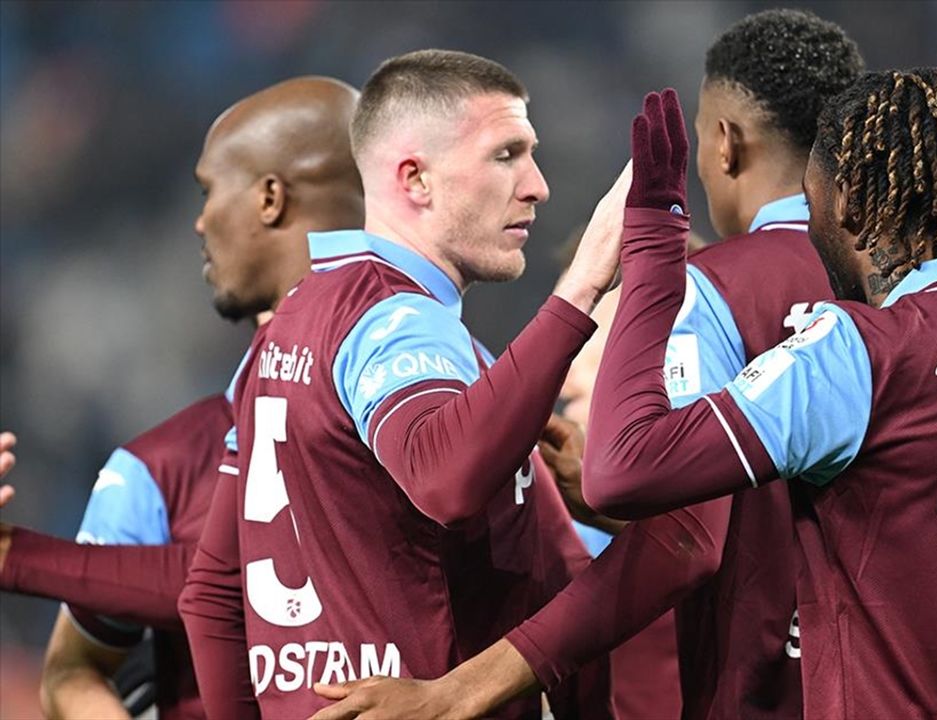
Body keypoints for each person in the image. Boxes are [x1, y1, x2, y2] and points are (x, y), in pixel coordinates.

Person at [309, 14, 865, 720]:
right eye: (507, 155)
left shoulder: (712, 290)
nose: (534, 186)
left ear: (724, 143)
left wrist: (462, 690)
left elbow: (688, 538)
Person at [578, 76, 937, 718]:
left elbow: (619, 469)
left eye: (811, 205)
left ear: (848, 203)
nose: (811, 233)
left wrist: (652, 256)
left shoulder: (863, 352)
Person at [178, 49, 623, 719]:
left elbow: (211, 591)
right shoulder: (397, 321)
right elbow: (448, 480)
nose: (537, 186)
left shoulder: (291, 322)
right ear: (415, 179)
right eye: (506, 155)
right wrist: (581, 288)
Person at [0, 76, 366, 720]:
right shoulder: (157, 470)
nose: (199, 222)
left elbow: (254, 572)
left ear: (270, 198)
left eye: (208, 191)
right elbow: (73, 672)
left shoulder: (436, 396)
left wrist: (18, 556)